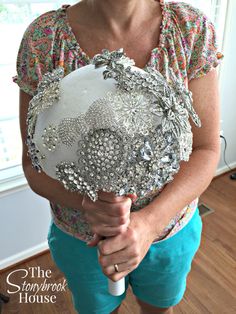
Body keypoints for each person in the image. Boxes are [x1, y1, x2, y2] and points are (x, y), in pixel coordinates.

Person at [13, 0, 223, 313]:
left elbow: (206, 149)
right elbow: (33, 165)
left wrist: (150, 223)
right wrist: (88, 206)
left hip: (169, 231)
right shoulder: (43, 40)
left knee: (158, 306)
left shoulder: (190, 28)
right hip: (82, 239)